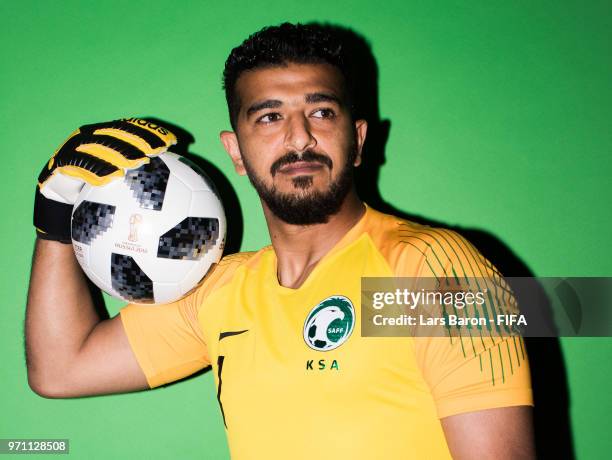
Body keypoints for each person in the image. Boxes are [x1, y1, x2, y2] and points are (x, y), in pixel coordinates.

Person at [26, 23, 535, 459]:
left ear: (357, 140)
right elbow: (61, 370)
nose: (298, 138)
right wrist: (55, 215)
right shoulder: (220, 292)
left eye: (321, 113)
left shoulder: (428, 271)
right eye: (269, 117)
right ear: (237, 151)